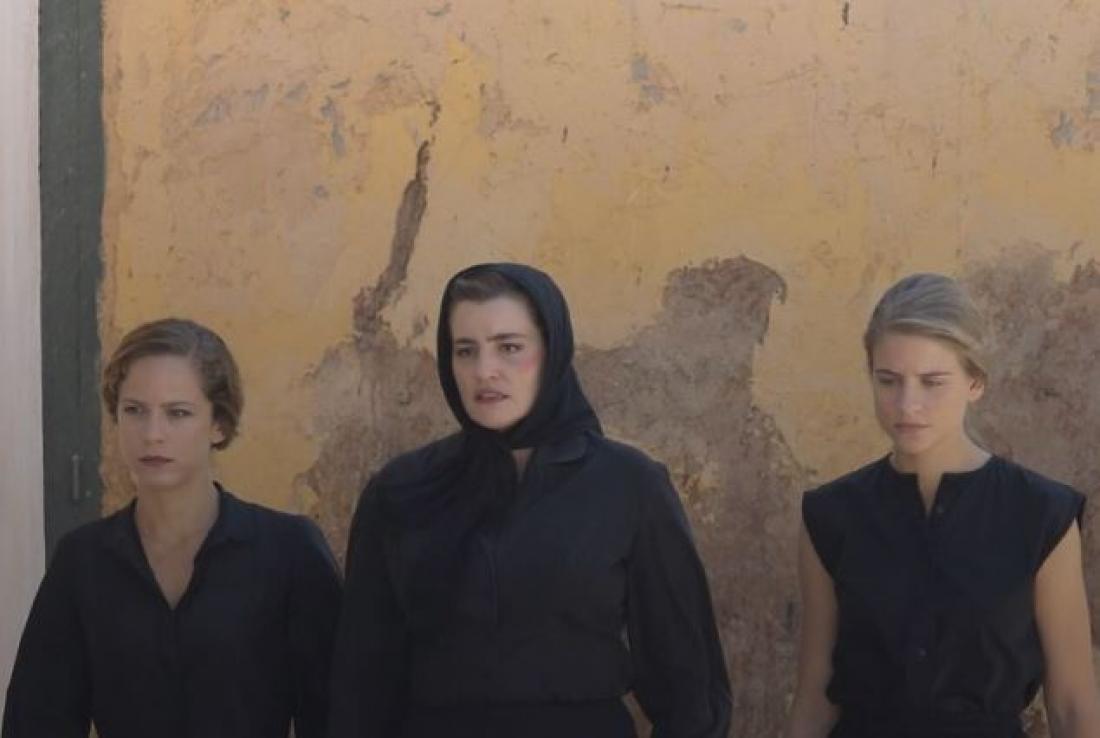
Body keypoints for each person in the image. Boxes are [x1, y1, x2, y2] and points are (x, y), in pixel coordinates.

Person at [328, 262, 731, 738]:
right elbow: (362, 682)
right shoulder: (402, 490)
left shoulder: (628, 485)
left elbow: (686, 679)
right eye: (465, 351)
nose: (485, 371)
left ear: (552, 352)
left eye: (509, 347)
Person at [787, 274, 1100, 738]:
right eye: (888, 380)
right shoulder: (831, 516)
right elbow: (815, 699)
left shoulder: (1041, 515)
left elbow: (1073, 706)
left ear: (975, 382)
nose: (907, 404)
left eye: (932, 382)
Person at [2, 318, 342, 738]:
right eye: (134, 411)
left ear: (218, 424)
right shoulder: (82, 562)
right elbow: (36, 719)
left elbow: (335, 714)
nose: (153, 434)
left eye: (177, 413)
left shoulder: (289, 552)